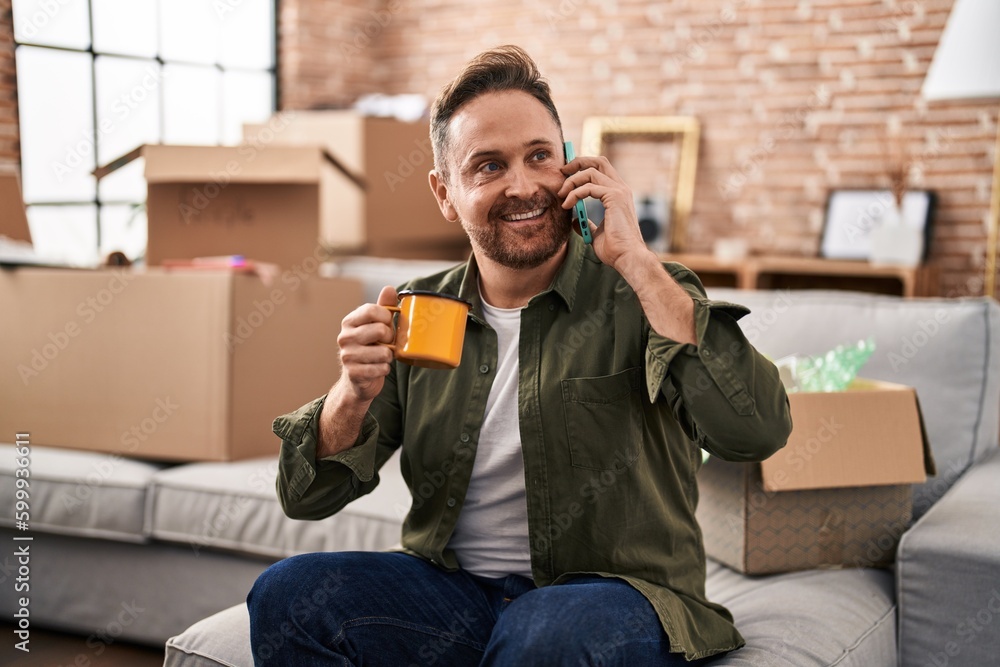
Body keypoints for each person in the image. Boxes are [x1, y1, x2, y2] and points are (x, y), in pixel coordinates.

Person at [247, 45, 792, 666]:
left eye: (540, 156)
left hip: (612, 599)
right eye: (488, 166)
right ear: (445, 192)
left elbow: (756, 431)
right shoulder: (419, 312)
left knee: (549, 632)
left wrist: (638, 261)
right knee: (288, 595)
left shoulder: (645, 290)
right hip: (456, 599)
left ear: (572, 165)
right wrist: (352, 392)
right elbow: (306, 497)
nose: (524, 185)